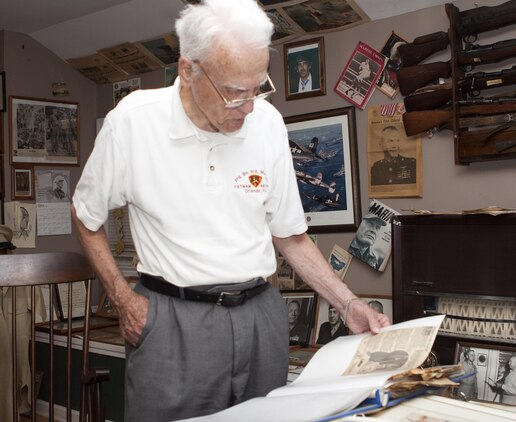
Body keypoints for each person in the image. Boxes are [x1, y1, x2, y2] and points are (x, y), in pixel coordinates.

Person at [70, 1, 389, 420]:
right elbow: (85, 215)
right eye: (236, 91)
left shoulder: (269, 124)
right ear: (188, 70)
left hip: (260, 316)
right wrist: (124, 299)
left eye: (258, 86)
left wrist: (348, 304)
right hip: (172, 321)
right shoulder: (132, 122)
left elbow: (290, 235)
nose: (250, 105)